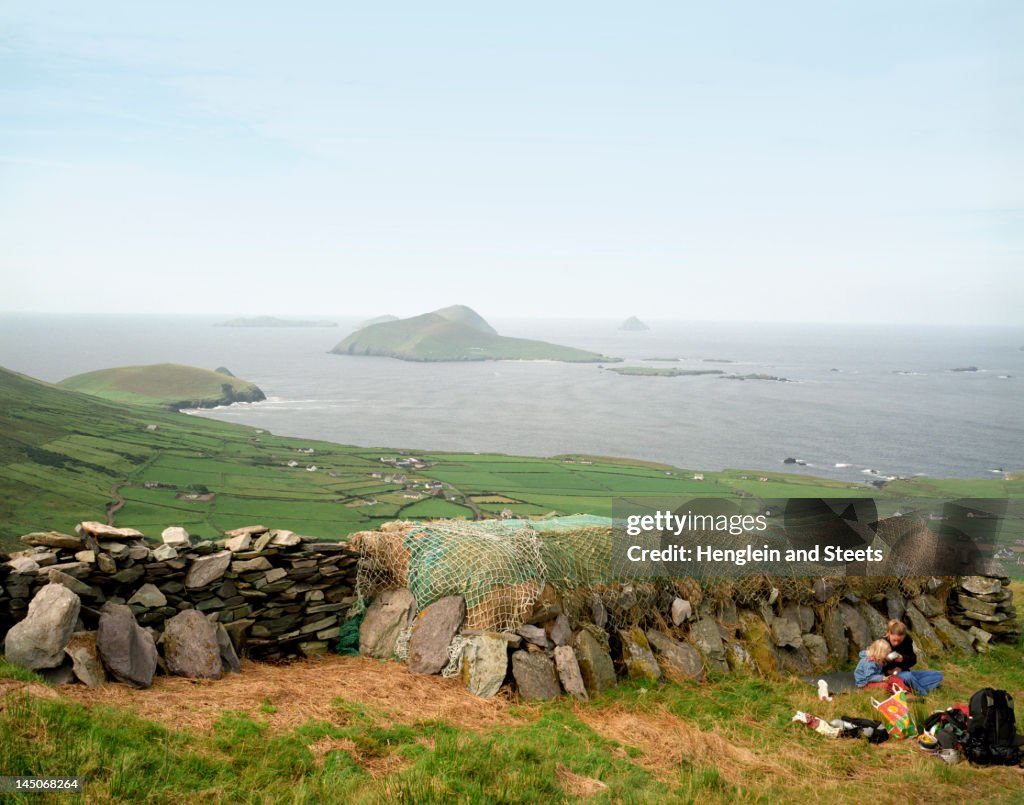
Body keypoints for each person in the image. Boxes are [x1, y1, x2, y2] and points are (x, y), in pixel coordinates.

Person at [882, 619, 943, 695]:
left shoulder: (907, 640)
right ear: (889, 634)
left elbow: (913, 660)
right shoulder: (882, 643)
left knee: (938, 675)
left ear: (904, 636)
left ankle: (910, 688)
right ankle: (921, 692)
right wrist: (889, 671)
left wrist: (903, 659)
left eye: (899, 641)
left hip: (905, 672)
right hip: (891, 676)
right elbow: (876, 664)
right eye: (894, 640)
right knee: (908, 676)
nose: (896, 643)